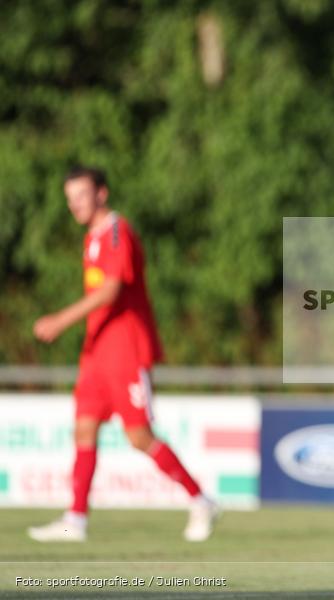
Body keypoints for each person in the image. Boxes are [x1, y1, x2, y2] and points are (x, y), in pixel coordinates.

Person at [28, 166, 219, 542]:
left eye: (81, 196)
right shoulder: (92, 238)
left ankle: (201, 500)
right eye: (70, 199)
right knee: (84, 428)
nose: (74, 205)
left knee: (138, 436)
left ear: (102, 194)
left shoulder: (117, 231)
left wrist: (60, 320)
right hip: (96, 352)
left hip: (125, 352)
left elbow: (111, 290)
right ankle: (75, 520)